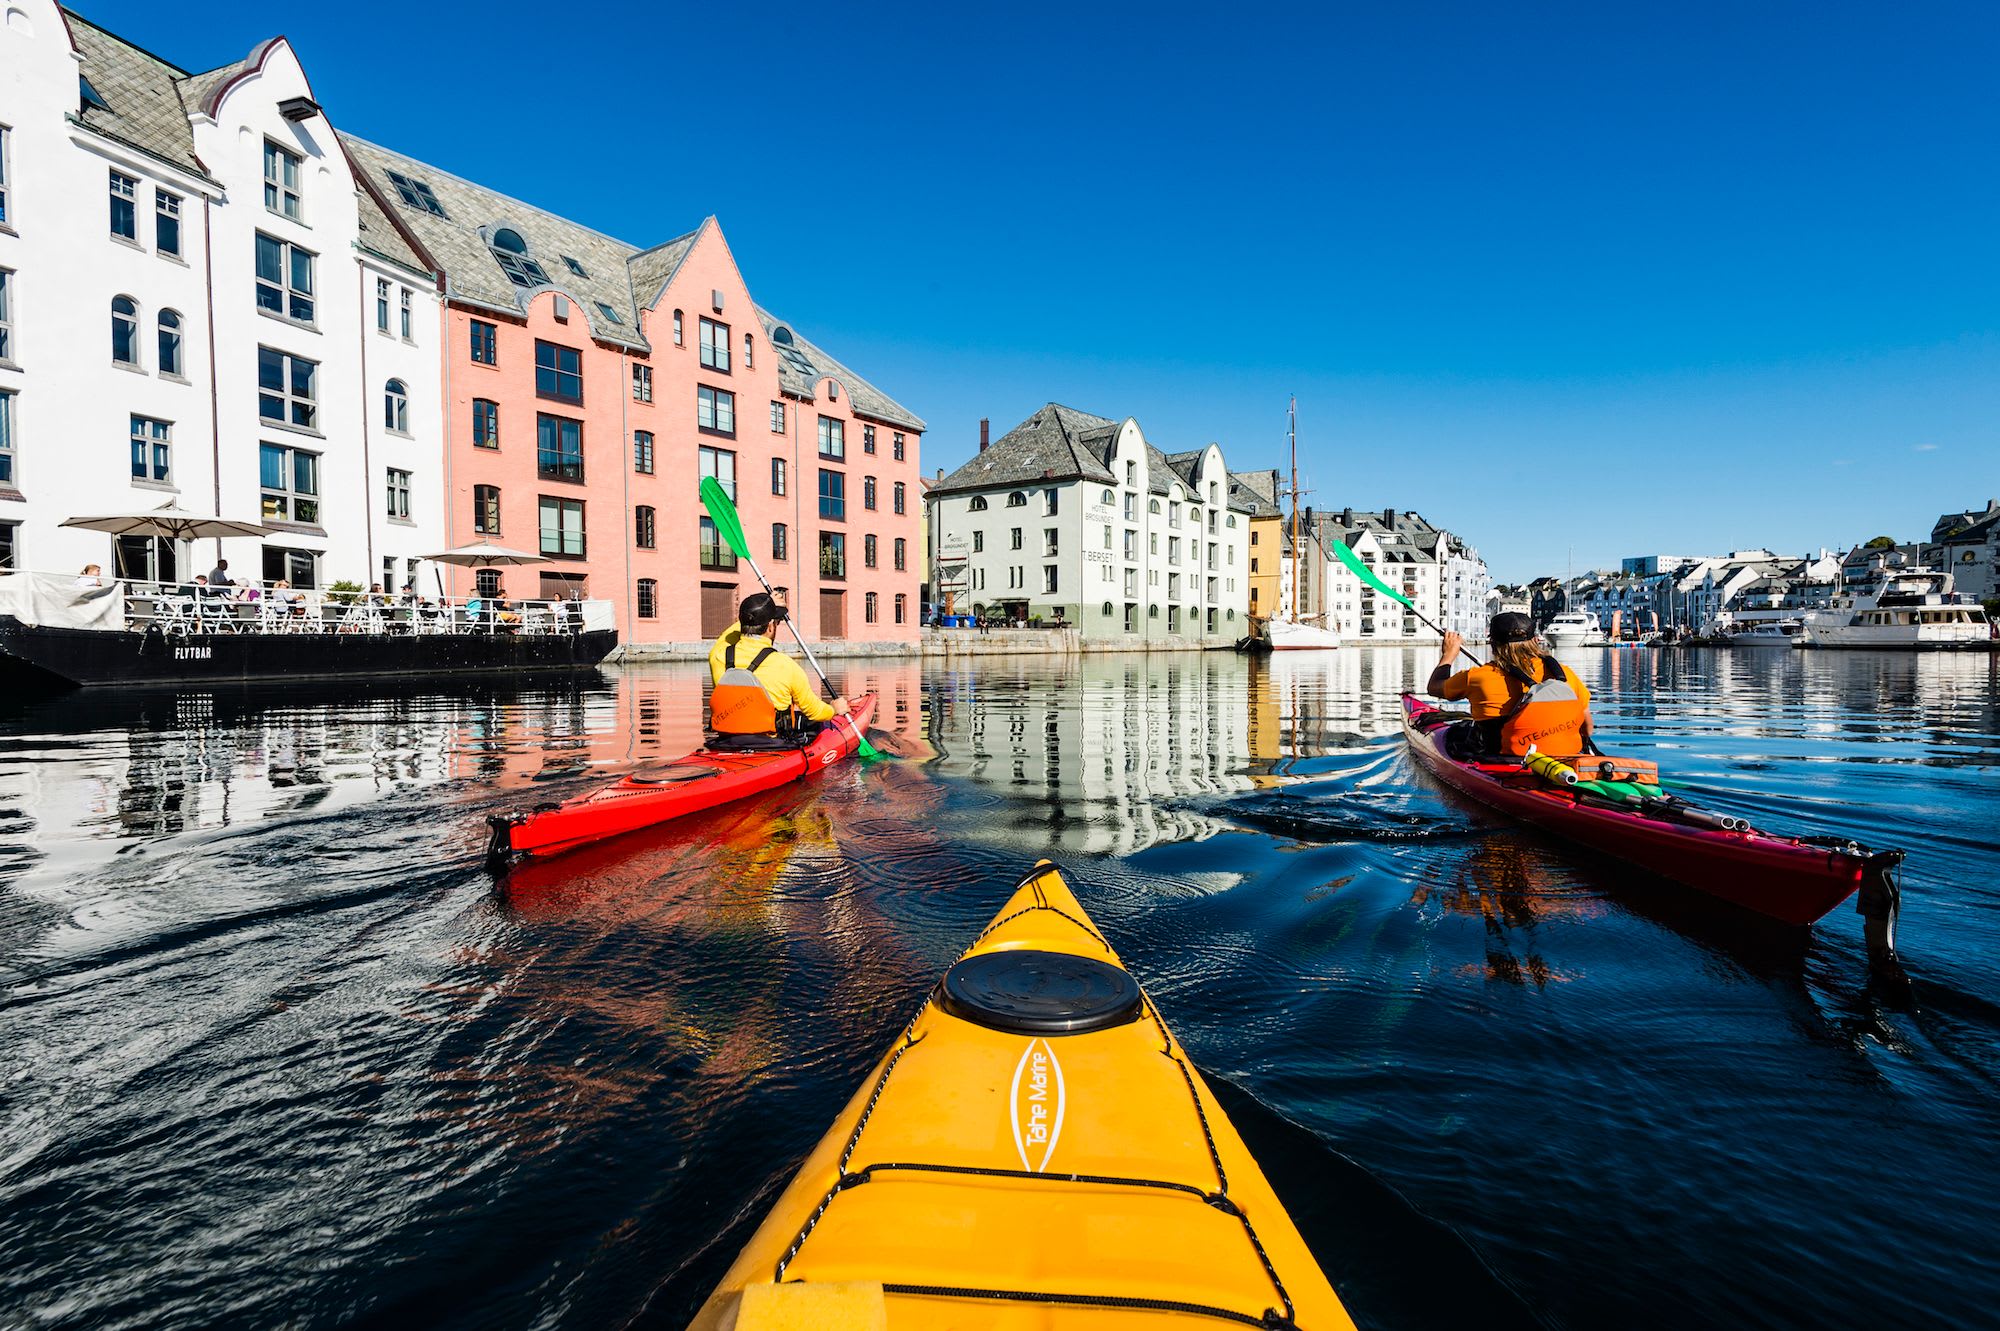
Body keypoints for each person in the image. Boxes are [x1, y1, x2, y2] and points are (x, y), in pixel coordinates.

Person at [1427, 612, 1594, 758]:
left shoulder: (1478, 677)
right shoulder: (1564, 675)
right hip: (1561, 758)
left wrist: (1449, 654)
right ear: (1535, 640)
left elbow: (1434, 687)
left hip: (1501, 758)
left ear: (1492, 643)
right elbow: (1587, 730)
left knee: (1456, 733)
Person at [706, 592, 849, 748]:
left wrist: (760, 610)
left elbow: (727, 636)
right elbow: (814, 711)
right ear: (769, 627)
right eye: (775, 623)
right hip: (773, 744)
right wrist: (834, 709)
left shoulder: (718, 656)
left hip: (726, 742)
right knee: (814, 723)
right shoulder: (786, 665)